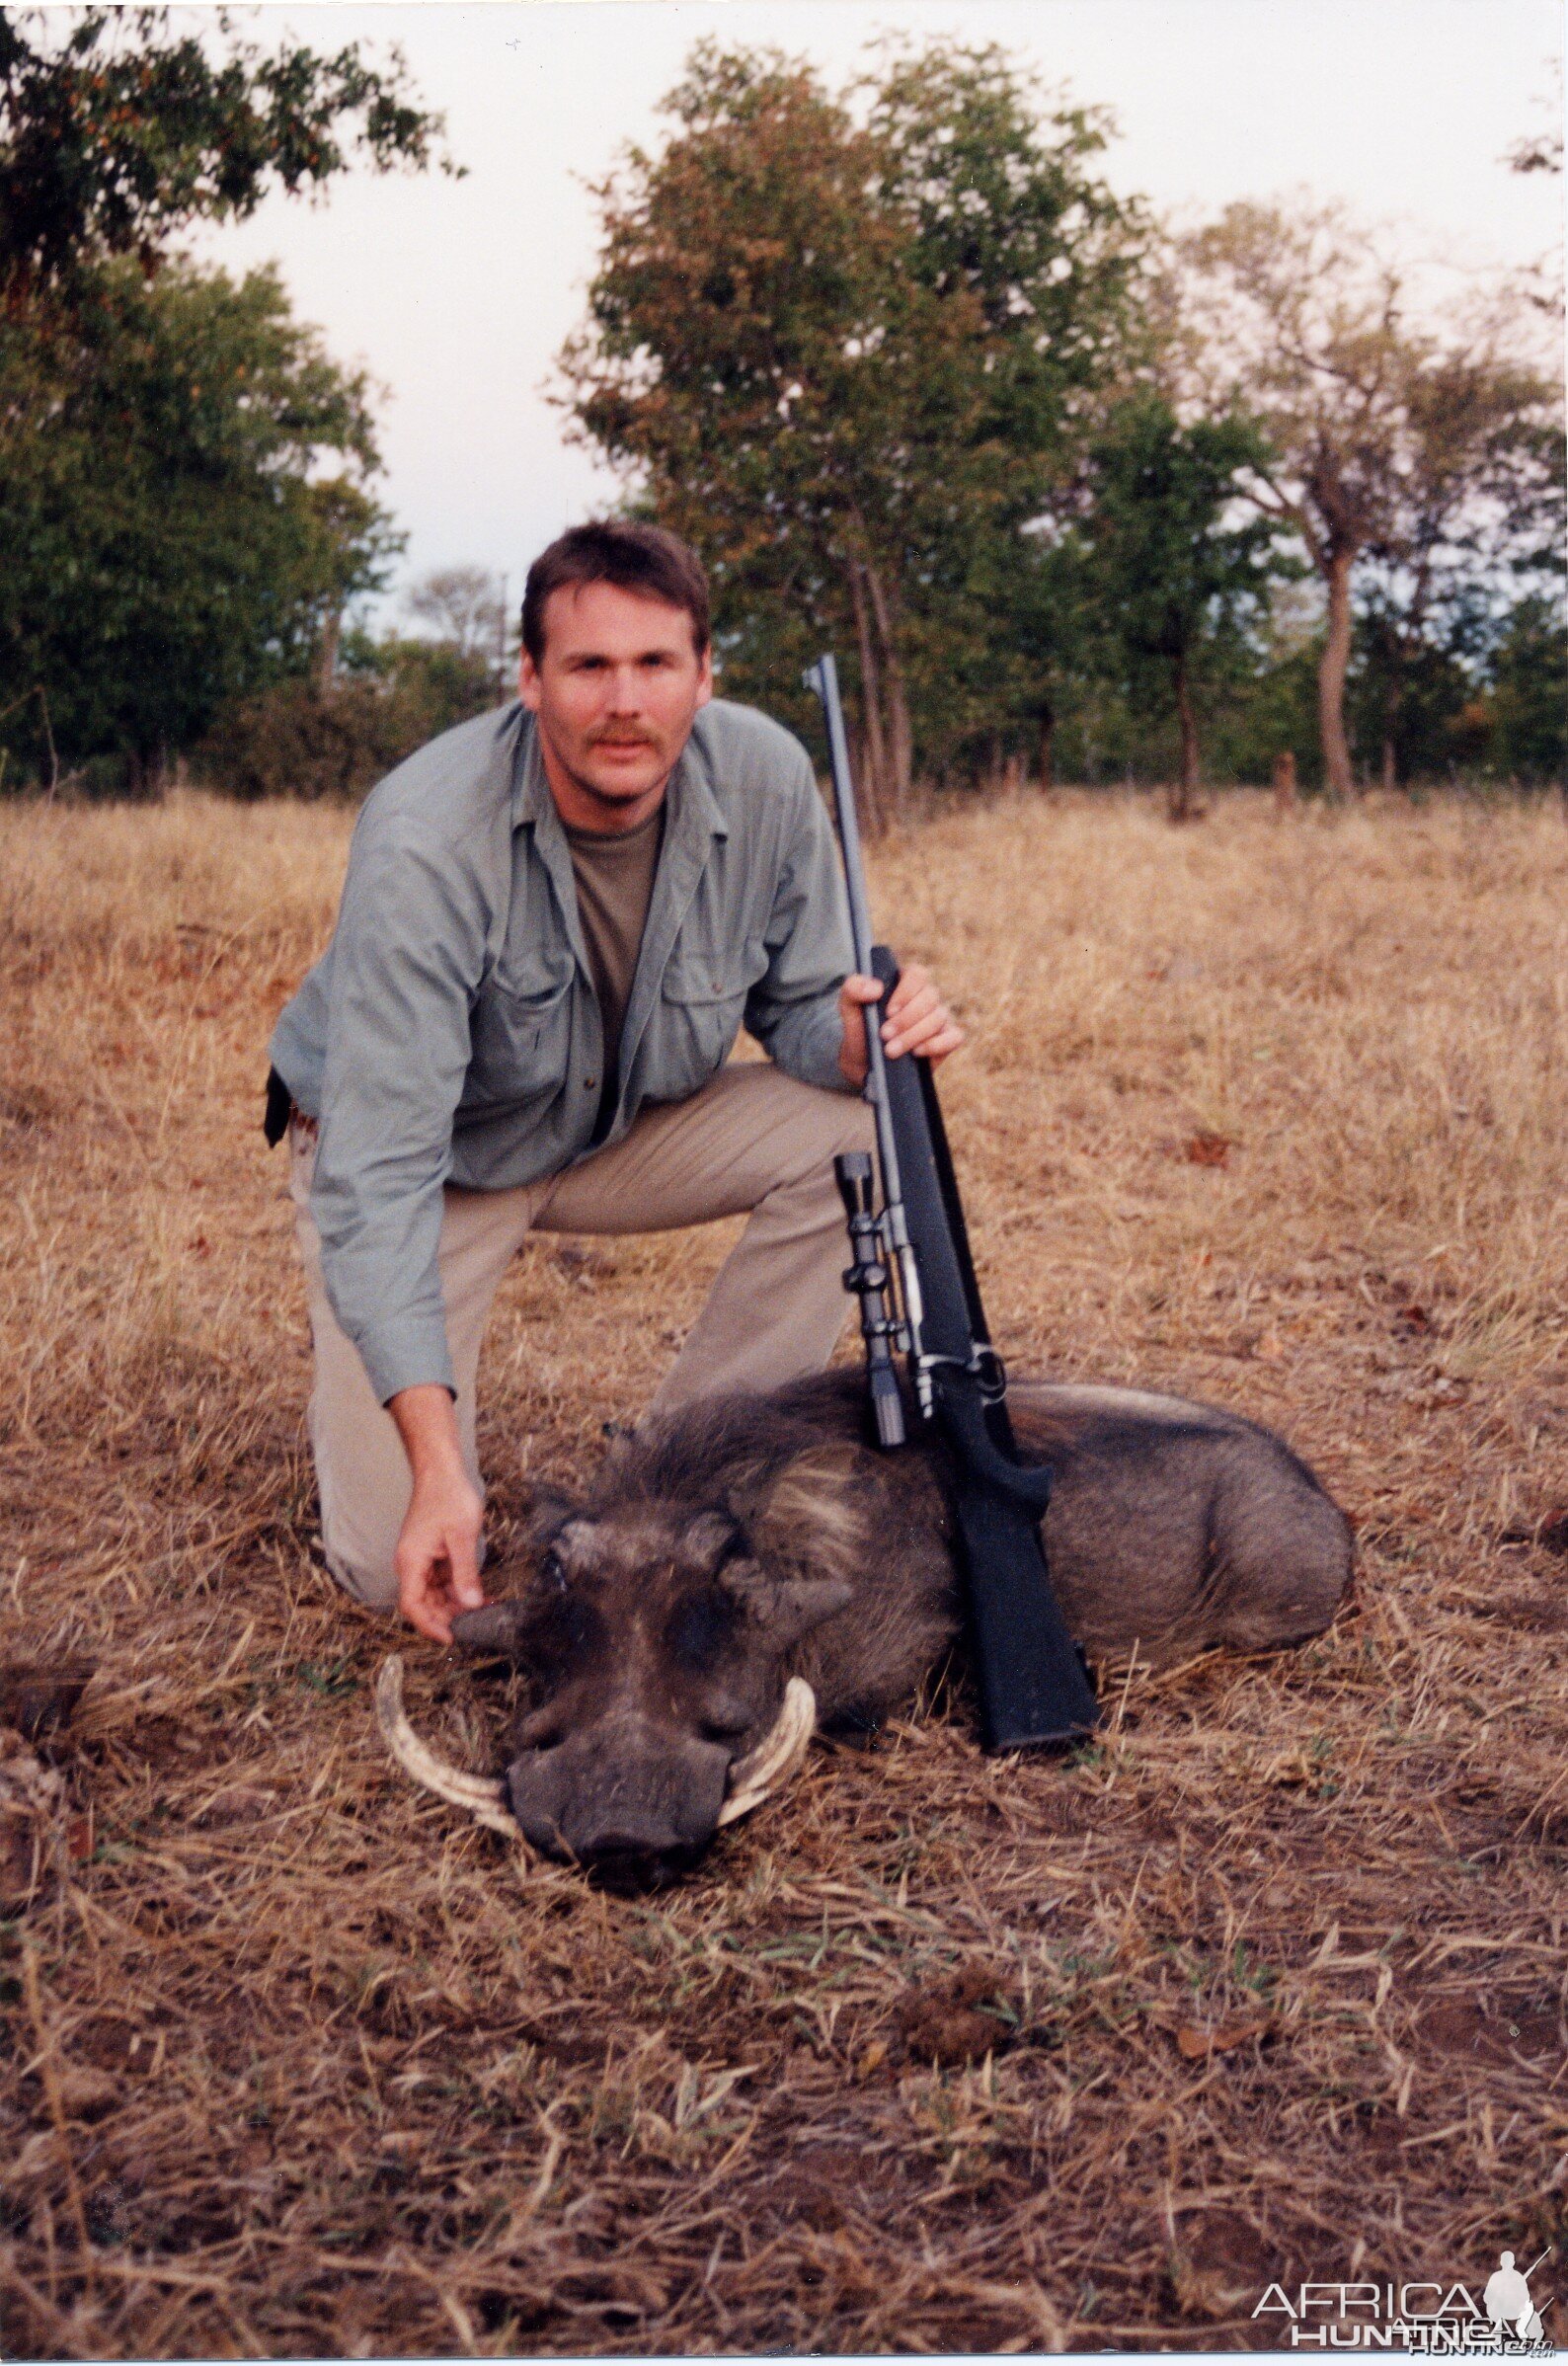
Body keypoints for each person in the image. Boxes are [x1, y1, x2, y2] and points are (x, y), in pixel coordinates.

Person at [267, 522, 962, 1645]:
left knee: (860, 1120)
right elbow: (380, 1169)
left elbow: (793, 1007)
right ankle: (413, 1452)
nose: (624, 701)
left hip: (608, 1124)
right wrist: (441, 1470)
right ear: (531, 680)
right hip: (435, 1160)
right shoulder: (423, 841)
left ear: (703, 675)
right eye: (589, 666)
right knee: (380, 1559)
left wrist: (854, 1038)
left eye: (655, 664)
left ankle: (686, 1476)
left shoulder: (770, 774)